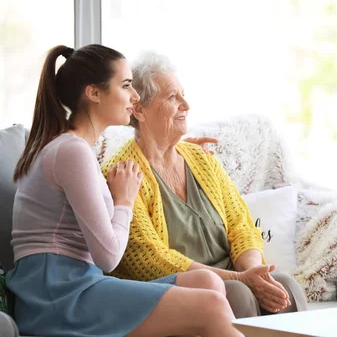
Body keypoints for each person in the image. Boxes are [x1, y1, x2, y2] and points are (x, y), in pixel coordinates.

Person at [7, 45, 243, 337]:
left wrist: (174, 148)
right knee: (210, 305)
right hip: (57, 295)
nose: (135, 97)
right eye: (127, 85)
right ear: (94, 93)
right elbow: (108, 257)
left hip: (76, 284)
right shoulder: (71, 152)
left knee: (207, 282)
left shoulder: (75, 149)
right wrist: (125, 201)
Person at [102, 52, 308, 318]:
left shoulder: (201, 159)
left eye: (183, 95)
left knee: (285, 285)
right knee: (236, 294)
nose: (185, 105)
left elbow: (241, 225)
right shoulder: (123, 173)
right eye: (172, 97)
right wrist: (241, 280)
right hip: (181, 288)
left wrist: (254, 273)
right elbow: (152, 261)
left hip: (235, 273)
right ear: (139, 109)